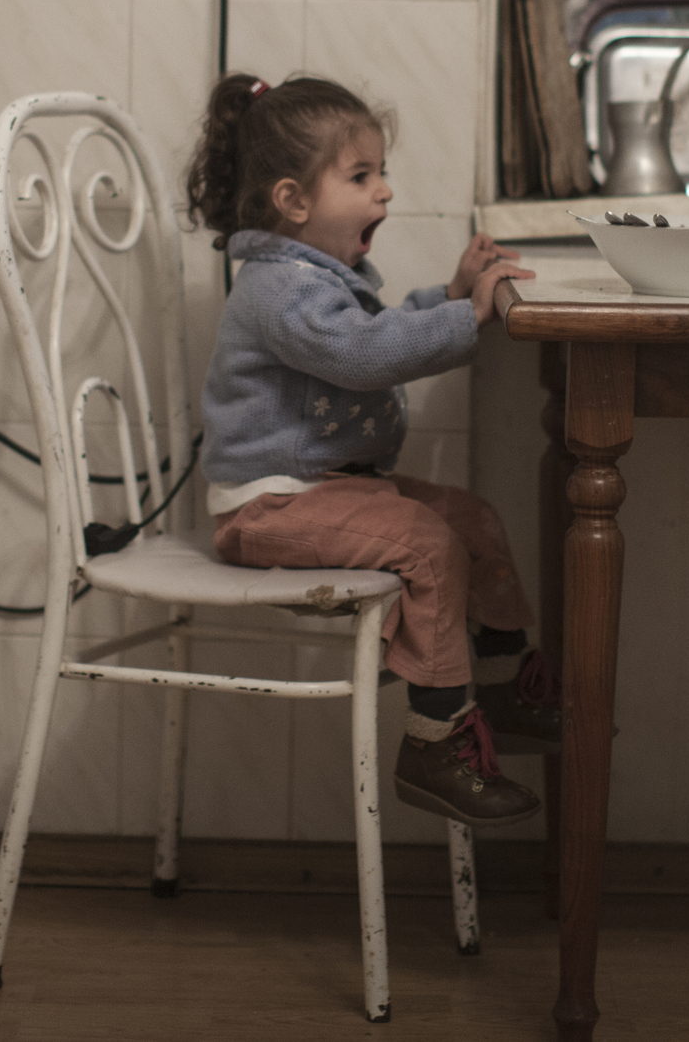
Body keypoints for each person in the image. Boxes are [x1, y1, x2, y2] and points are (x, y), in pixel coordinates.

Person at [187, 72, 555, 825]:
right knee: (427, 542)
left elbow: (374, 330)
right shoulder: (277, 288)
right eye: (362, 175)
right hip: (269, 506)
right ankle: (436, 742)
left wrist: (453, 295)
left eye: (380, 171)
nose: (384, 191)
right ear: (293, 200)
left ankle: (495, 691)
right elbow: (362, 354)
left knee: (473, 519)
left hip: (324, 490)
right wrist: (468, 319)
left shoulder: (318, 277)